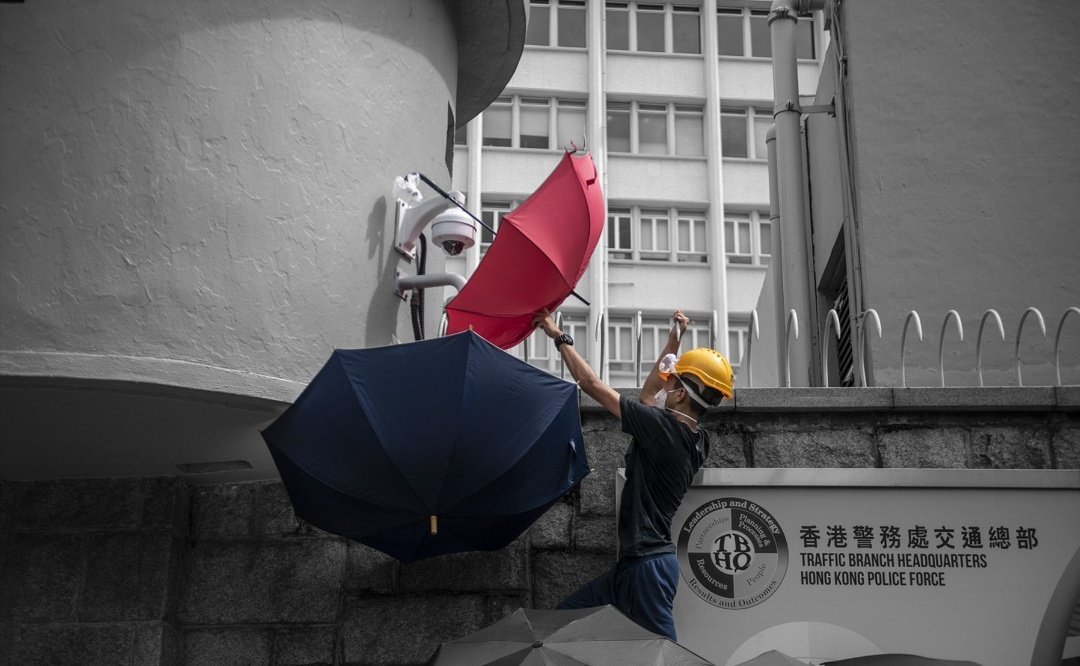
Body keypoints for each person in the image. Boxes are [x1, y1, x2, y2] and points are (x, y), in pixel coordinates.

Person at [532, 308, 734, 642]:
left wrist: (559, 336)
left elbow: (591, 384)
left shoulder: (662, 430)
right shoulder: (697, 439)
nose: (663, 387)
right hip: (633, 566)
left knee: (664, 658)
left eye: (671, 383)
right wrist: (674, 340)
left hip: (648, 568)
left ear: (681, 394)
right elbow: (648, 395)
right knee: (555, 631)